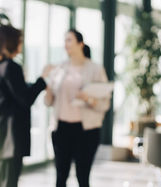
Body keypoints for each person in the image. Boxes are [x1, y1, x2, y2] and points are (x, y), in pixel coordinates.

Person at [0, 25, 50, 187]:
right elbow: (25, 99)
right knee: (9, 182)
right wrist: (42, 80)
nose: (21, 44)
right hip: (9, 139)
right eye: (19, 40)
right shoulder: (11, 67)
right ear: (11, 42)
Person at [44, 29, 111, 187]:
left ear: (80, 44)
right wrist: (47, 86)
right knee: (61, 176)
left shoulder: (95, 69)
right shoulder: (59, 69)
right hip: (61, 129)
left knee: (83, 177)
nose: (65, 44)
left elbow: (105, 104)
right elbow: (48, 102)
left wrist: (87, 98)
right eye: (64, 40)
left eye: (69, 40)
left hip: (86, 131)